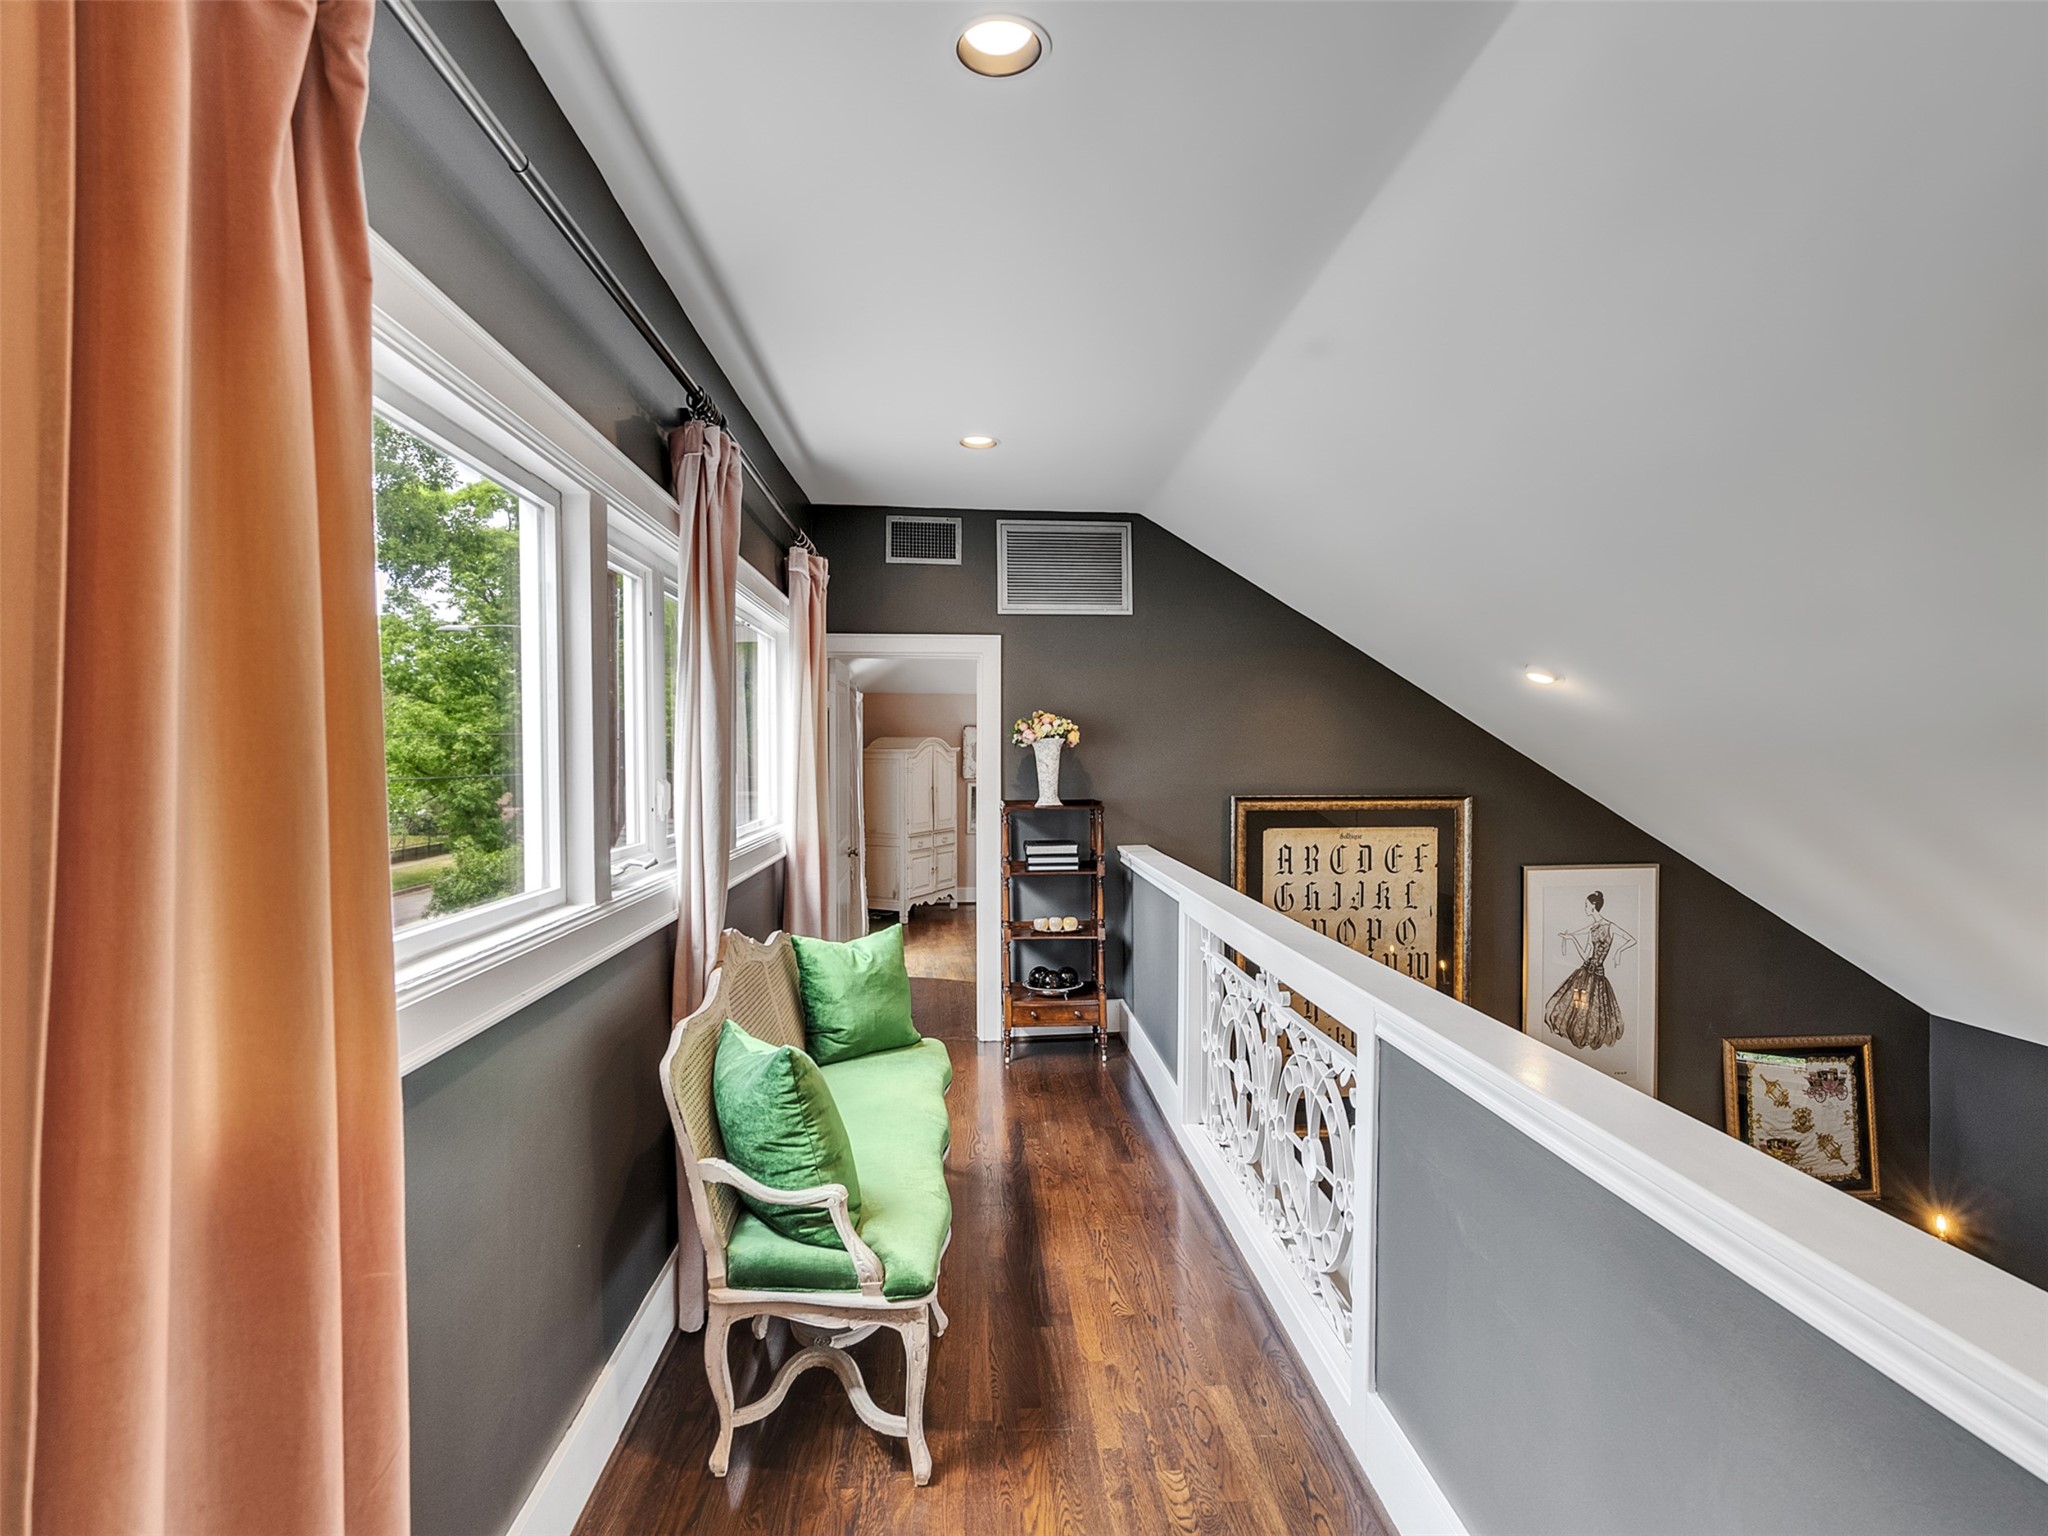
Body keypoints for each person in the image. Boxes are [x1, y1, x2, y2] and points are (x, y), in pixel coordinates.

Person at [1542, 891, 1635, 1049]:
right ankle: (1576, 1032)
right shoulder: (1592, 928)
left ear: (1593, 906)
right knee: (1579, 1005)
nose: (1585, 908)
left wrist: (1619, 951)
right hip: (1584, 973)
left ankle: (1585, 1035)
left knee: (1593, 1007)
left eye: (1586, 905)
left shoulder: (1610, 927)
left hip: (1597, 975)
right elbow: (1586, 954)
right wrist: (1572, 938)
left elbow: (1631, 940)